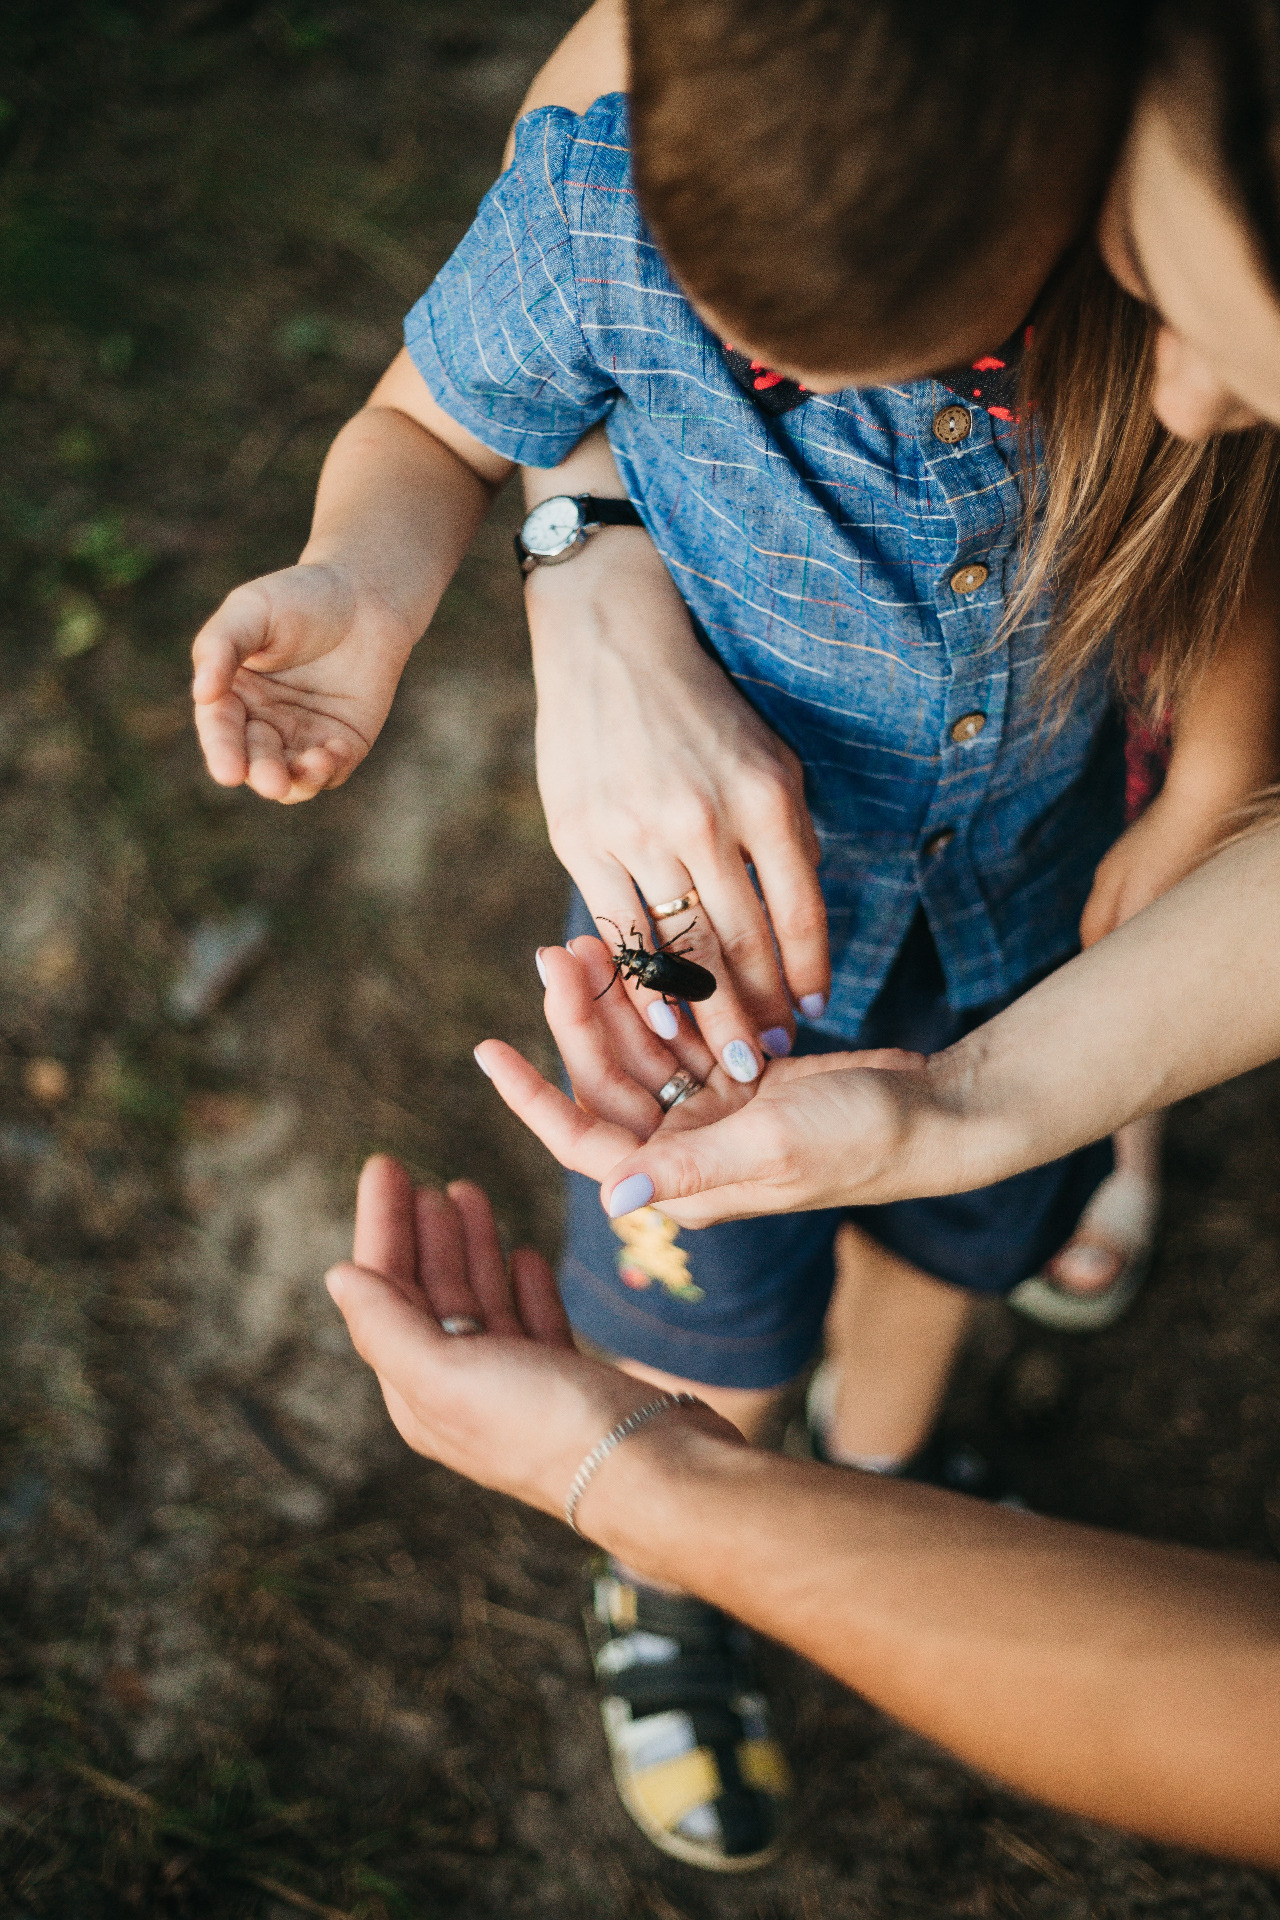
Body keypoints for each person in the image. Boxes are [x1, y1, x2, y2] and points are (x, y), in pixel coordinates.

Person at [188, 0, 1280, 1869]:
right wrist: (360, 587)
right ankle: (680, 1574)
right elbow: (426, 421)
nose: (758, 369)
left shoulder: (1139, 313)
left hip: (1029, 917)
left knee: (963, 1238)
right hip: (701, 972)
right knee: (702, 1287)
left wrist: (1195, 807)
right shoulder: (606, 208)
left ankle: (892, 1483)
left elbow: (1234, 550)